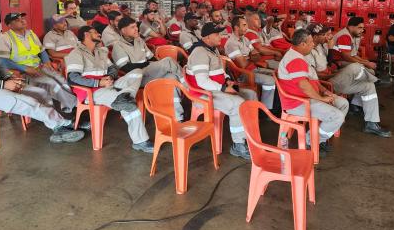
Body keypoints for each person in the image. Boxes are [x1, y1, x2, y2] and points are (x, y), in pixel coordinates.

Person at [0, 15, 84, 143]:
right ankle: (60, 125)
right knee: (26, 101)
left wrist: (9, 77)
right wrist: (2, 84)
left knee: (41, 93)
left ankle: (61, 122)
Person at [65, 26, 153, 153]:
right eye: (95, 32)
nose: (99, 34)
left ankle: (124, 96)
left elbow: (113, 68)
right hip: (93, 91)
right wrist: (98, 82)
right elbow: (72, 78)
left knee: (138, 72)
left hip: (110, 84)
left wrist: (110, 77)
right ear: (86, 35)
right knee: (128, 104)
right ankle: (141, 141)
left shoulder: (100, 51)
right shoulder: (76, 53)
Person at [185, 22, 257, 160]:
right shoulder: (199, 53)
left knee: (251, 95)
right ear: (207, 37)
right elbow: (202, 82)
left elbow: (219, 71)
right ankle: (238, 145)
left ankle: (250, 135)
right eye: (217, 34)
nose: (221, 37)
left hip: (215, 88)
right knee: (238, 103)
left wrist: (227, 79)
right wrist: (223, 88)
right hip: (203, 93)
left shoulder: (213, 49)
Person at [307, 22, 391, 138]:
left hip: (333, 78)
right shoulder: (307, 52)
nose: (327, 36)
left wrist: (330, 50)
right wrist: (334, 74)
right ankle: (376, 80)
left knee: (368, 86)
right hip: (326, 84)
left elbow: (329, 63)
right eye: (324, 35)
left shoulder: (321, 46)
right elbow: (314, 77)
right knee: (355, 67)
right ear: (315, 37)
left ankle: (371, 123)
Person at [277, 29, 347, 153]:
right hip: (298, 103)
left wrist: (324, 91)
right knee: (338, 116)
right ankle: (312, 141)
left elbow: (312, 80)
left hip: (309, 98)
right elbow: (304, 85)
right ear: (303, 44)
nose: (313, 44)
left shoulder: (299, 56)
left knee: (343, 103)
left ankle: (319, 137)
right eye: (310, 42)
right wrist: (322, 98)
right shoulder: (295, 59)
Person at [0, 13, 77, 114]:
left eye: (22, 18)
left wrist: (47, 62)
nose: (22, 21)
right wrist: (25, 68)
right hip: (23, 72)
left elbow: (42, 50)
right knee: (52, 83)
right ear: (10, 25)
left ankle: (71, 106)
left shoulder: (30, 34)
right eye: (17, 20)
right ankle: (62, 112)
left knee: (61, 79)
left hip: (39, 67)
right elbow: (1, 60)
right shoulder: (5, 38)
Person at [112, 17, 184, 120]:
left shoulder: (139, 40)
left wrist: (158, 65)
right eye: (132, 27)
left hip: (148, 72)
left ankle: (177, 117)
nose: (136, 29)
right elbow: (125, 68)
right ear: (123, 30)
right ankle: (187, 87)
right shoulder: (118, 46)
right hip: (137, 79)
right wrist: (148, 64)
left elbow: (151, 58)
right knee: (168, 61)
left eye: (136, 26)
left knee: (171, 77)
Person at [224, 16, 276, 110]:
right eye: (244, 25)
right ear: (236, 27)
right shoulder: (231, 43)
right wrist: (251, 57)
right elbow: (243, 64)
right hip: (243, 74)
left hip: (253, 68)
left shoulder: (245, 39)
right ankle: (265, 110)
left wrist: (247, 58)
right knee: (270, 80)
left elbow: (257, 55)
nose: (247, 28)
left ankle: (273, 106)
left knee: (276, 75)